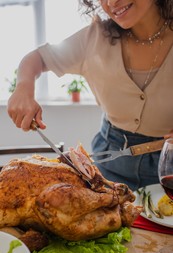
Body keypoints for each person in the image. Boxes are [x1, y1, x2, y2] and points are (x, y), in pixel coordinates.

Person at [7, 0, 173, 191]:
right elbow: (37, 58)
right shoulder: (93, 38)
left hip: (168, 164)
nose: (111, 2)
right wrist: (23, 87)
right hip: (109, 160)